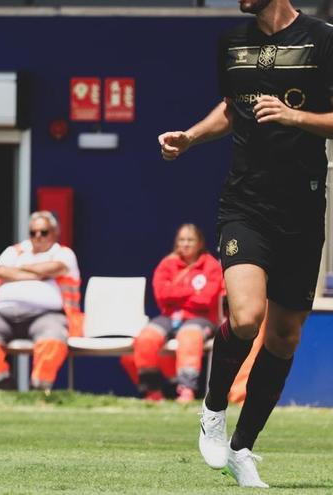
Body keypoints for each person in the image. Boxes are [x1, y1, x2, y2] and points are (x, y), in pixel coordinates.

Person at [158, 0, 333, 486]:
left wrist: (294, 117)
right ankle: (212, 411)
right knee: (246, 316)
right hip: (245, 203)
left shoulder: (323, 38)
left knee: (284, 336)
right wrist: (190, 137)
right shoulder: (231, 42)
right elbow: (231, 111)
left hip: (302, 207)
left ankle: (242, 447)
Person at [0, 211, 81, 394]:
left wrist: (19, 270)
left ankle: (38, 391)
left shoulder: (63, 253)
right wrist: (38, 275)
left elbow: (53, 268)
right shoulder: (14, 250)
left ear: (54, 232)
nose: (38, 236)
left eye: (43, 232)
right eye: (33, 232)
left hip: (46, 316)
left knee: (52, 341)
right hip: (4, 315)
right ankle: (4, 391)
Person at [131, 224, 223, 403]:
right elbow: (161, 296)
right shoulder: (167, 264)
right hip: (170, 316)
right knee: (145, 338)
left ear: (200, 243)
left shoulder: (211, 265)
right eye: (182, 240)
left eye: (190, 240)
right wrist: (191, 291)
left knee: (189, 337)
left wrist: (176, 292)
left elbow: (206, 299)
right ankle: (152, 392)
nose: (186, 244)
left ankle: (186, 390)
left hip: (200, 318)